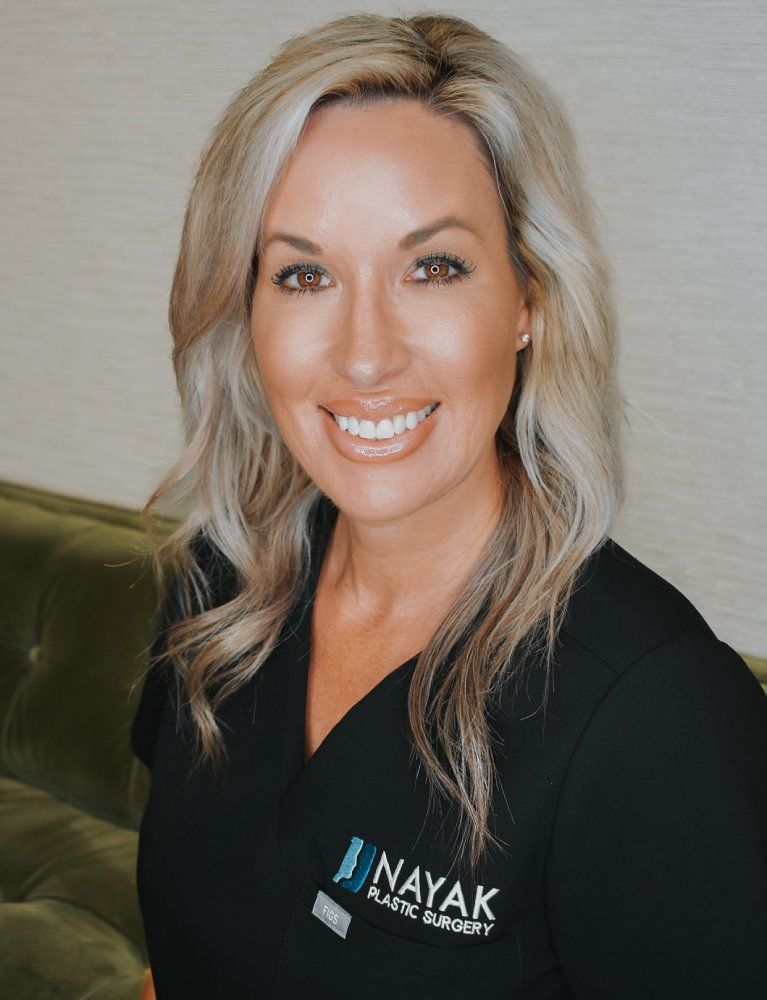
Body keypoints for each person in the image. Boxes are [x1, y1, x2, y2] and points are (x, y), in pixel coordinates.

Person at [129, 11, 767, 999]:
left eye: (431, 267)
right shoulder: (220, 584)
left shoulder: (657, 714)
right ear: (245, 312)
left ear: (528, 299)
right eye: (302, 274)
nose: (366, 353)